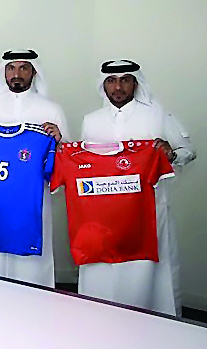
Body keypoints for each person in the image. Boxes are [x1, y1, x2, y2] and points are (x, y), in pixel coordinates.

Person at [80, 60, 195, 315]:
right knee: (102, 276)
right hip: (104, 215)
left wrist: (171, 154)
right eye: (111, 81)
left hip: (149, 213)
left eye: (125, 80)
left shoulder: (158, 115)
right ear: (103, 86)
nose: (118, 87)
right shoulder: (91, 121)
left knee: (146, 276)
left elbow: (189, 151)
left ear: (135, 83)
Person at [0, 50, 67, 287]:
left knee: (29, 269)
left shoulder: (51, 111)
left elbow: (64, 161)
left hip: (30, 200)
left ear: (34, 72)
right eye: (11, 68)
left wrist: (59, 140)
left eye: (24, 68)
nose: (17, 74)